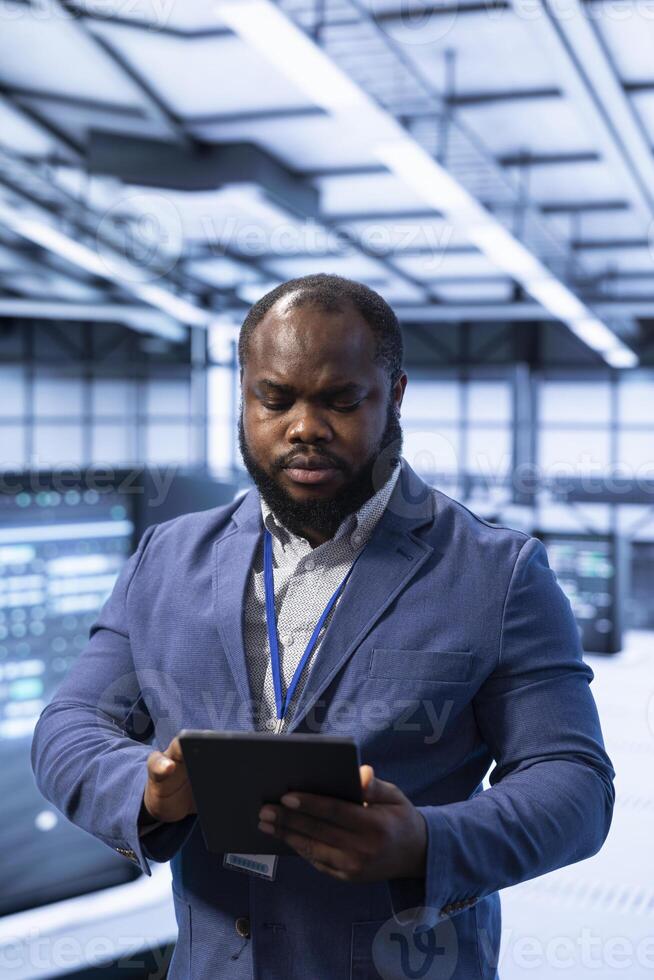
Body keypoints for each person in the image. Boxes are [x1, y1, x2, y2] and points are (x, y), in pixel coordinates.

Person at [31, 273, 615, 980]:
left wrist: (427, 842)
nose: (304, 427)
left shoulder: (500, 572)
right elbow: (69, 724)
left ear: (393, 396)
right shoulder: (165, 558)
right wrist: (147, 791)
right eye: (274, 399)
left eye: (340, 399)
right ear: (243, 393)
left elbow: (573, 781)